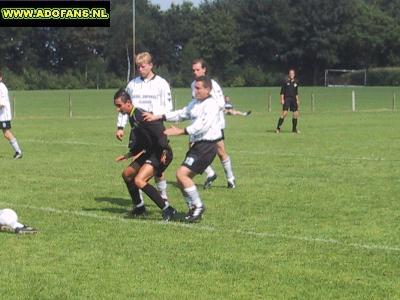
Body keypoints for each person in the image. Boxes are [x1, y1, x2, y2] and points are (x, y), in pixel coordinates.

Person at [143, 76, 221, 222]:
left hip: (207, 146)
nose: (195, 91)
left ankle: (198, 206)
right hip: (198, 145)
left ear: (208, 89)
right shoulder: (196, 103)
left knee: (182, 174)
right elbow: (181, 113)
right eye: (194, 87)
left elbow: (202, 125)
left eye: (198, 88)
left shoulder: (211, 105)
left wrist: (181, 131)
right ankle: (193, 208)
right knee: (181, 180)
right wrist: (158, 116)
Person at [115, 52, 173, 205]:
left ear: (151, 65)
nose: (140, 69)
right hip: (137, 129)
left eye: (143, 66)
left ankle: (163, 195)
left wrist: (157, 117)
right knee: (137, 162)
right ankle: (139, 200)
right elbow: (124, 106)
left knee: (158, 166)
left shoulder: (161, 83)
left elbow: (169, 107)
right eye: (138, 67)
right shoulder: (132, 85)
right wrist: (120, 126)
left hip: (155, 127)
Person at [113, 89, 176, 221]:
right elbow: (143, 141)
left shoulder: (140, 115)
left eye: (119, 106)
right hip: (149, 152)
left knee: (139, 180)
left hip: (160, 152)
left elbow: (160, 130)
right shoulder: (132, 116)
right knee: (127, 174)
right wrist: (129, 154)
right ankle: (140, 207)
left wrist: (164, 149)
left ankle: (168, 209)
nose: (118, 109)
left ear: (128, 103)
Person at [191, 59, 236, 189]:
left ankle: (230, 178)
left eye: (198, 69)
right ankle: (210, 173)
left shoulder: (213, 84)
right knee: (192, 147)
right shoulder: (193, 84)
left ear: (204, 69)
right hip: (200, 125)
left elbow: (220, 103)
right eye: (193, 70)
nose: (195, 72)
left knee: (220, 151)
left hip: (214, 125)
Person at [0, 71, 23, 159]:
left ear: (1, 78)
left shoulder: (1, 87)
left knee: (6, 133)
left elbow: (1, 103)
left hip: (3, 115)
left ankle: (18, 152)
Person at [276, 69, 300, 133]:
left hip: (294, 99)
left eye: (292, 73)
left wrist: (297, 100)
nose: (291, 74)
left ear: (294, 74)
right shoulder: (285, 82)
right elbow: (282, 92)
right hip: (287, 99)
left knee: (296, 114)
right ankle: (278, 128)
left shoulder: (296, 82)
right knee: (284, 113)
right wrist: (282, 99)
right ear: (289, 74)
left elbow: (296, 92)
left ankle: (294, 129)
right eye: (290, 73)